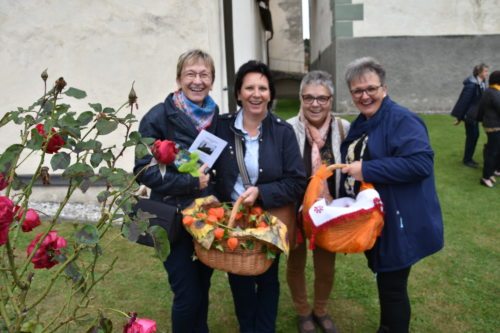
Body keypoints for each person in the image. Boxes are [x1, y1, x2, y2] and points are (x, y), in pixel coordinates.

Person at [340, 57, 444, 333]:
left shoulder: (402, 120)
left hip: (400, 221)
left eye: (370, 88)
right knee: (385, 279)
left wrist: (368, 169)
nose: (364, 96)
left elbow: (421, 164)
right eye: (357, 91)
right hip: (377, 218)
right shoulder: (363, 121)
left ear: (384, 88)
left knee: (393, 286)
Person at [213, 60, 306, 333]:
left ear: (270, 93)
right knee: (238, 277)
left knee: (267, 278)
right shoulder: (220, 127)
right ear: (239, 93)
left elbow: (297, 180)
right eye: (249, 87)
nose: (257, 94)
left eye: (263, 88)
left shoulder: (282, 132)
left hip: (270, 218)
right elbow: (201, 165)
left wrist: (262, 192)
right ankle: (247, 327)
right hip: (232, 219)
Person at [134, 49, 218, 333]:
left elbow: (215, 165)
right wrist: (191, 184)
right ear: (179, 78)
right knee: (186, 293)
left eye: (204, 74)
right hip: (170, 219)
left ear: (212, 80)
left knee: (202, 285)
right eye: (190, 74)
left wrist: (214, 191)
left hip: (206, 217)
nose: (197, 80)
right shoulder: (158, 116)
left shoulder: (214, 115)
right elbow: (142, 170)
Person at [286, 70, 350, 333]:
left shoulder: (344, 128)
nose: (315, 104)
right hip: (295, 209)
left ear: (331, 99)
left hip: (330, 211)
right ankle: (303, 312)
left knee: (326, 265)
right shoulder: (287, 129)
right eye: (309, 97)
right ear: (301, 98)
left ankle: (321, 310)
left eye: (322, 98)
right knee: (296, 262)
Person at [451, 63, 489, 168]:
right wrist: (459, 117)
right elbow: (464, 101)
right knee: (472, 136)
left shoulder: (482, 82)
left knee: (474, 136)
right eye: (485, 71)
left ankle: (468, 158)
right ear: (479, 72)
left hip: (475, 115)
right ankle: (467, 160)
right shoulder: (472, 85)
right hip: (470, 116)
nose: (487, 73)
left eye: (487, 71)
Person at [476, 70, 500, 188]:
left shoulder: (489, 91)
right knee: (492, 152)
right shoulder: (494, 92)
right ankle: (485, 178)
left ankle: (490, 174)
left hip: (492, 125)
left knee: (494, 151)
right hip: (494, 127)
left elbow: (481, 109)